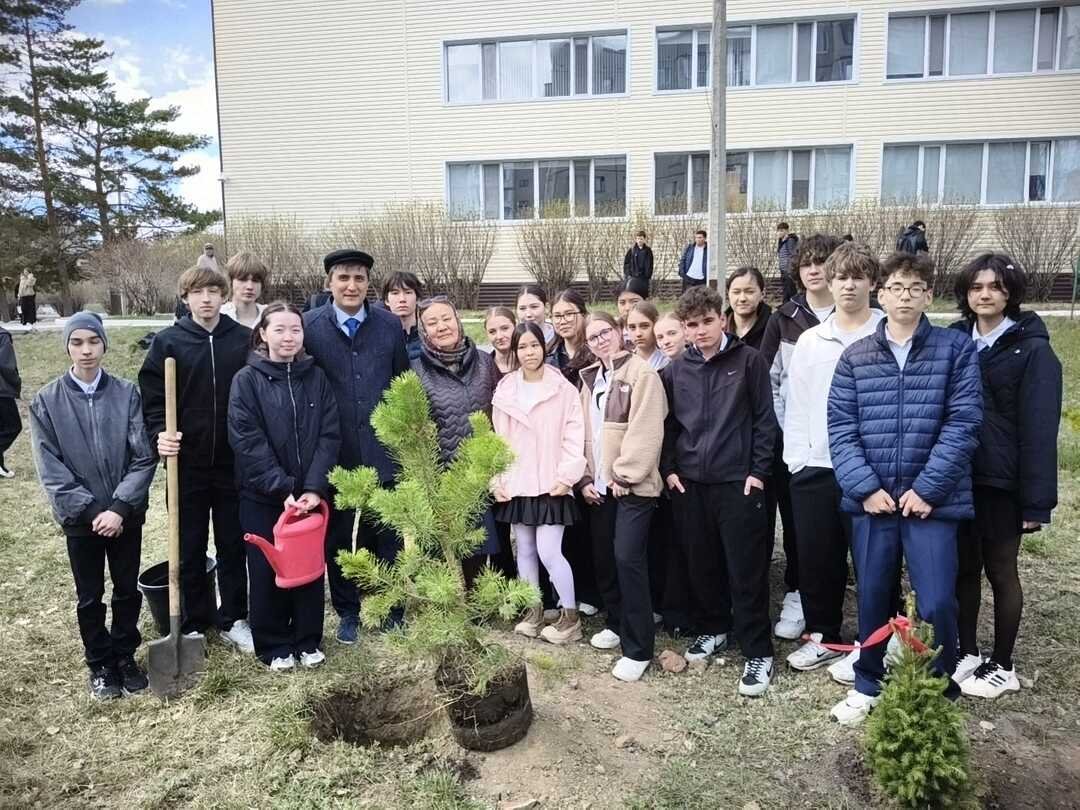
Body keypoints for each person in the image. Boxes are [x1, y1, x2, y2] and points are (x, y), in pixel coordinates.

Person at [827, 251, 982, 725]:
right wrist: (865, 487)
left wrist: (929, 489)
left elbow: (964, 422)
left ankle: (937, 685)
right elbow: (841, 427)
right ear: (882, 292)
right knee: (873, 592)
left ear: (928, 295)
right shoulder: (856, 356)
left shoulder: (955, 351)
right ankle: (868, 680)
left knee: (935, 599)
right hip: (873, 503)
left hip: (930, 503)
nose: (905, 296)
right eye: (896, 287)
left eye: (915, 288)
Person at [950, 255, 1062, 699]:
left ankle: (1003, 663)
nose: (985, 294)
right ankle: (967, 651)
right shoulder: (955, 341)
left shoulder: (1033, 350)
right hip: (958, 477)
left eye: (995, 287)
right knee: (964, 569)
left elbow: (1039, 432)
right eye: (977, 287)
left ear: (1010, 293)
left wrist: (1036, 503)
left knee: (1001, 571)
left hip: (1002, 483)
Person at [31, 314, 156, 698]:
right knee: (89, 594)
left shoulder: (125, 393)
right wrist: (91, 512)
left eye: (93, 342)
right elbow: (50, 468)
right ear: (67, 346)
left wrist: (119, 507)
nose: (86, 350)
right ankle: (99, 662)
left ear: (104, 344)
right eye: (77, 342)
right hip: (81, 520)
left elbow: (143, 456)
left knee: (125, 588)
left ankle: (124, 655)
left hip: (125, 515)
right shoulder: (47, 402)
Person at [661, 286, 777, 697]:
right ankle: (714, 627)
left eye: (707, 321)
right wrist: (669, 470)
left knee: (745, 570)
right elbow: (669, 425)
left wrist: (759, 473)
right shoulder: (677, 369)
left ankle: (758, 650)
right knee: (701, 564)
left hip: (738, 483)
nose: (700, 331)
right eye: (691, 325)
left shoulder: (749, 362)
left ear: (722, 320)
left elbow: (765, 420)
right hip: (691, 484)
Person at [782, 243, 885, 677]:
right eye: (841, 277)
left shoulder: (888, 332)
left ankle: (875, 640)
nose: (847, 284)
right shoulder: (811, 339)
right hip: (816, 466)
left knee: (872, 560)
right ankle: (824, 635)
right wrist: (797, 461)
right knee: (817, 557)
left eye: (857, 277)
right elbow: (796, 400)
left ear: (872, 283)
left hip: (871, 469)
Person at [139, 267, 254, 651]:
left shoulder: (241, 341)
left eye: (213, 291)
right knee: (188, 543)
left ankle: (234, 616)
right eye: (197, 292)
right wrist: (160, 434)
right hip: (185, 464)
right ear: (185, 298)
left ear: (224, 296)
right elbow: (152, 400)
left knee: (232, 543)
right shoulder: (169, 343)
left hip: (231, 462)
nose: (206, 298)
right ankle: (191, 619)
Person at [302, 249, 409, 643]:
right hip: (335, 452)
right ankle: (349, 610)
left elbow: (402, 383)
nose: (352, 286)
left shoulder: (387, 325)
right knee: (343, 538)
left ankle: (394, 605)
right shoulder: (310, 327)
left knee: (388, 534)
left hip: (383, 450)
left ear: (368, 284)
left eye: (359, 278)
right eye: (343, 278)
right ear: (329, 282)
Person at [228, 303, 340, 671]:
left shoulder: (316, 377)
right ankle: (273, 643)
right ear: (262, 333)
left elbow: (328, 434)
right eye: (279, 329)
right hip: (264, 495)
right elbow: (247, 440)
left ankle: (307, 639)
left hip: (308, 496)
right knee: (267, 569)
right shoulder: (248, 380)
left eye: (295, 329)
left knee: (308, 567)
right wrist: (282, 487)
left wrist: (314, 487)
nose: (288, 337)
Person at [759, 233, 843, 641]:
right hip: (798, 445)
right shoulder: (785, 317)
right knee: (799, 528)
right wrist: (788, 430)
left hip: (847, 443)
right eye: (806, 263)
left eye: (821, 261)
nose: (813, 269)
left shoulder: (858, 313)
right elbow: (770, 379)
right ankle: (798, 592)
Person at [579, 312, 668, 681]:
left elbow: (647, 429)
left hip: (631, 487)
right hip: (599, 487)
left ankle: (638, 647)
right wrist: (586, 477)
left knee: (628, 559)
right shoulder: (591, 379)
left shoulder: (641, 374)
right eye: (592, 337)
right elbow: (585, 432)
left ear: (619, 333)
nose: (600, 341)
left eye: (605, 333)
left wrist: (625, 474)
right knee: (606, 559)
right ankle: (616, 623)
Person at [492, 322, 586, 645]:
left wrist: (567, 475)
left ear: (544, 347)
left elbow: (575, 435)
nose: (529, 353)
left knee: (550, 551)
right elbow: (498, 441)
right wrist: (497, 480)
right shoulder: (505, 390)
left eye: (534, 345)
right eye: (522, 347)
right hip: (518, 481)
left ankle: (570, 616)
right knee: (525, 551)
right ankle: (534, 610)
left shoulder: (563, 389)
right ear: (514, 351)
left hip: (552, 481)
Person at [412, 295, 504, 584]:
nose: (441, 327)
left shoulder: (485, 362)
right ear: (423, 331)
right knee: (443, 544)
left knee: (480, 541)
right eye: (432, 322)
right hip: (442, 471)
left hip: (482, 468)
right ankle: (446, 598)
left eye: (446, 319)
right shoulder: (416, 369)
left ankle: (477, 597)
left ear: (458, 321)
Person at [548, 290, 594, 387]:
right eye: (557, 316)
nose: (563, 321)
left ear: (583, 314)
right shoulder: (548, 356)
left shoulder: (596, 352)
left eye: (569, 314)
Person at [724, 267, 771, 351]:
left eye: (749, 292)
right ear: (728, 295)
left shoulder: (773, 328)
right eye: (736, 292)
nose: (742, 298)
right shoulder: (719, 329)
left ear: (762, 294)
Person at [220, 251, 269, 329]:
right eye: (243, 280)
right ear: (230, 281)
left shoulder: (271, 316)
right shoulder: (218, 316)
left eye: (255, 280)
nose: (250, 286)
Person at [382, 271, 423, 362]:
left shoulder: (430, 336)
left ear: (417, 298)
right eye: (395, 293)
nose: (402, 299)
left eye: (408, 292)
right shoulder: (377, 337)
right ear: (386, 300)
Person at [0, 324, 21, 478]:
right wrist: (16, 384)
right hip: (2, 391)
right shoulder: (2, 336)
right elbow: (6, 366)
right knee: (13, 426)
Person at [626, 301, 668, 370]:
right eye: (632, 327)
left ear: (655, 325)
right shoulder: (624, 364)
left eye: (645, 326)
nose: (638, 333)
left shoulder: (668, 362)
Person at [614, 277, 649, 349]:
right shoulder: (613, 330)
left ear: (646, 301)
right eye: (622, 303)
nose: (627, 308)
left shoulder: (656, 328)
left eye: (634, 302)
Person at [484, 306, 517, 379]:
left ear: (515, 327)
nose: (499, 336)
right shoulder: (482, 369)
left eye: (505, 328)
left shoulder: (529, 363)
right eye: (492, 332)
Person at [776, 223, 800, 302]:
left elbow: (792, 255)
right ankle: (785, 305)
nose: (779, 233)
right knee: (786, 291)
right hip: (783, 271)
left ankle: (794, 304)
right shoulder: (781, 241)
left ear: (786, 231)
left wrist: (790, 270)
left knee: (791, 291)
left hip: (788, 271)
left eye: (781, 231)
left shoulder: (790, 241)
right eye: (778, 231)